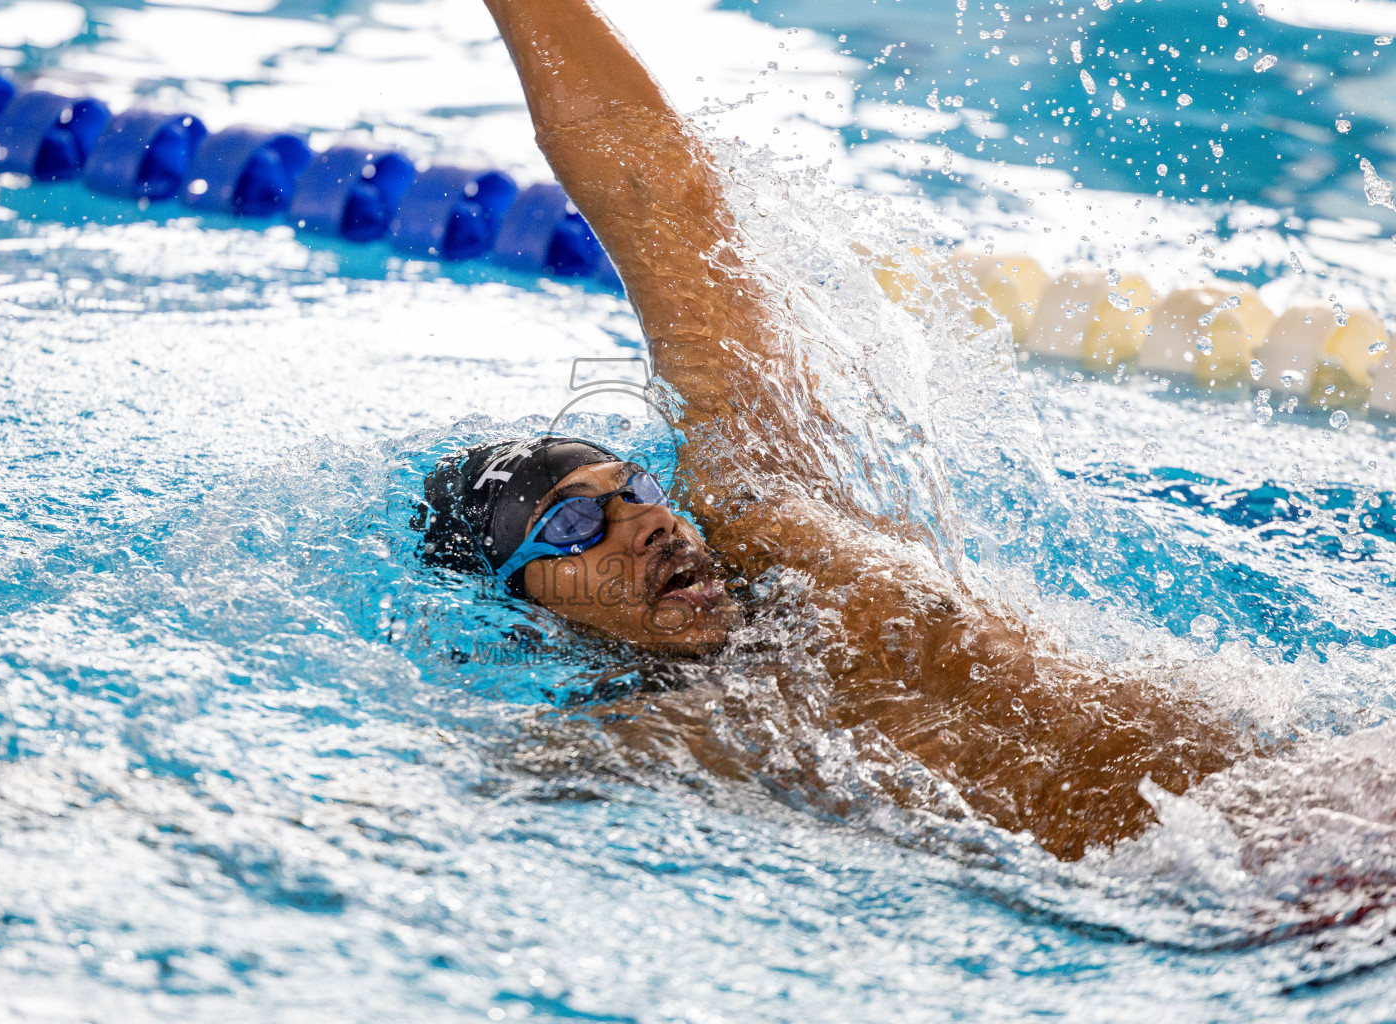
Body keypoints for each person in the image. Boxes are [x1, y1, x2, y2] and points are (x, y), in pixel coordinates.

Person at [419, 0, 1250, 863]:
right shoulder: (657, 735)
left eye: (638, 489)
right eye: (572, 524)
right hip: (1225, 895)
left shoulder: (775, 527)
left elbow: (659, 202)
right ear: (519, 608)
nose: (650, 522)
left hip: (1302, 795)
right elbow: (426, 816)